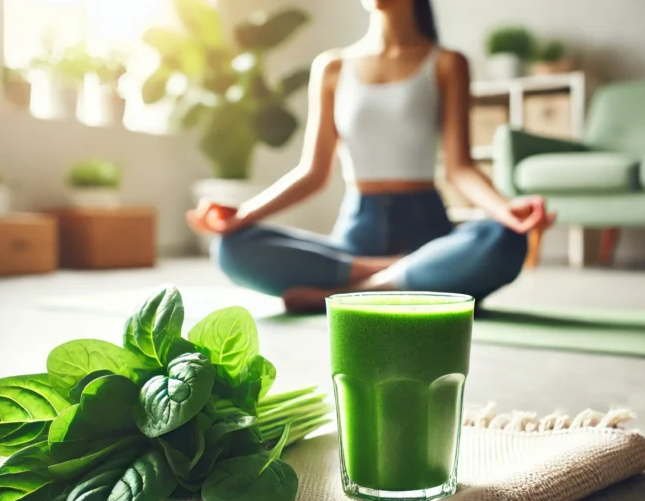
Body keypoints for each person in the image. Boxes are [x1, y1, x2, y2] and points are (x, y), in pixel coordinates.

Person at [187, 0, 555, 312]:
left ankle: (344, 296)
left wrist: (507, 211)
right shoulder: (332, 66)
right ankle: (402, 276)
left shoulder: (447, 62)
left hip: (428, 232)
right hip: (354, 239)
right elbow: (313, 172)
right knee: (231, 248)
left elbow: (461, 168)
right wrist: (243, 215)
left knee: (505, 238)